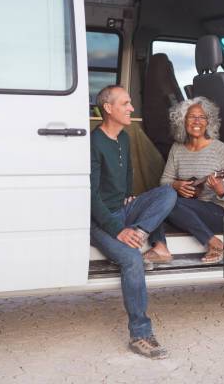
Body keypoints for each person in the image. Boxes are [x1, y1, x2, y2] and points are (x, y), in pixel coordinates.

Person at [90, 85, 177, 359]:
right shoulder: (94, 143)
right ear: (108, 108)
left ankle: (140, 232)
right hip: (99, 221)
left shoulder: (124, 138)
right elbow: (90, 198)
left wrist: (129, 198)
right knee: (132, 260)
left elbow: (126, 174)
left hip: (123, 211)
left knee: (167, 193)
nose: (131, 108)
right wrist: (117, 229)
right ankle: (140, 334)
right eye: (125, 103)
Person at [144, 97, 224, 264]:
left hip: (217, 213)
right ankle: (160, 247)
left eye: (202, 117)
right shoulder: (177, 148)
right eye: (191, 117)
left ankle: (215, 244)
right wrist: (175, 185)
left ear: (209, 122)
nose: (197, 121)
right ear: (182, 121)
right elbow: (165, 180)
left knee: (169, 203)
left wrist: (221, 190)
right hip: (185, 210)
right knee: (158, 200)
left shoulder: (219, 148)